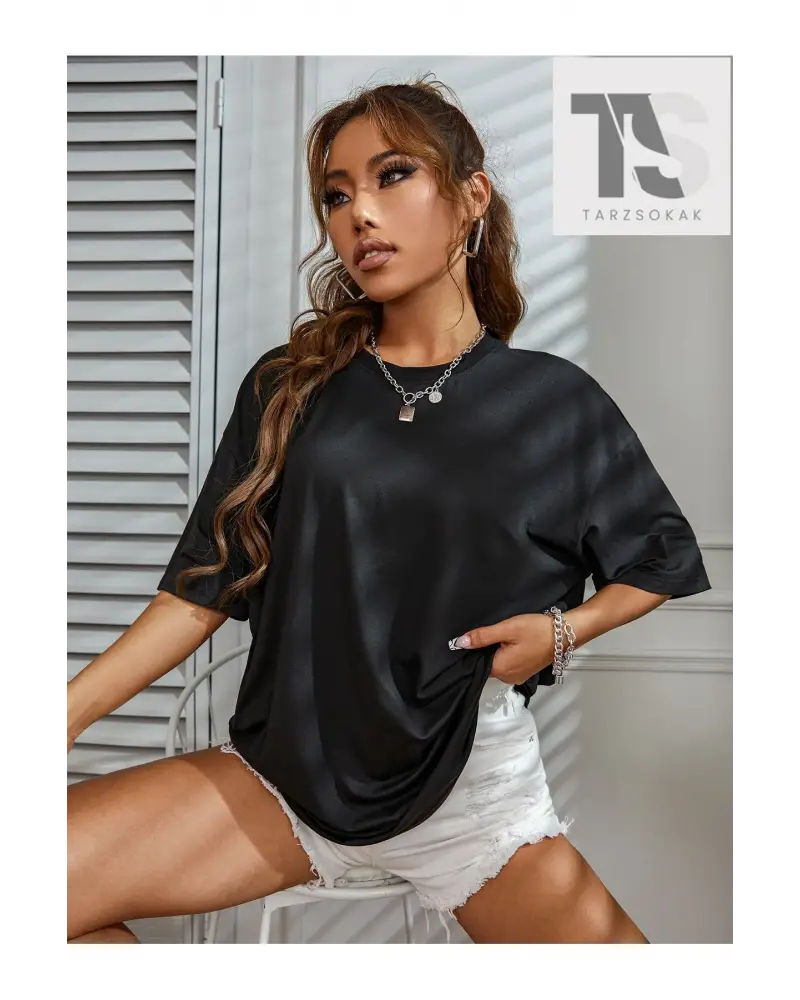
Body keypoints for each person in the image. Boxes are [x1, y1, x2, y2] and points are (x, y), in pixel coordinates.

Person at [65, 75, 711, 945]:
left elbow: (660, 556)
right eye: (337, 195)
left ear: (471, 196)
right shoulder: (290, 389)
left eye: (393, 175)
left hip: (466, 789)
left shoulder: (552, 404)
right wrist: (63, 713)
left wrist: (563, 631)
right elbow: (202, 590)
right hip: (282, 779)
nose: (359, 213)